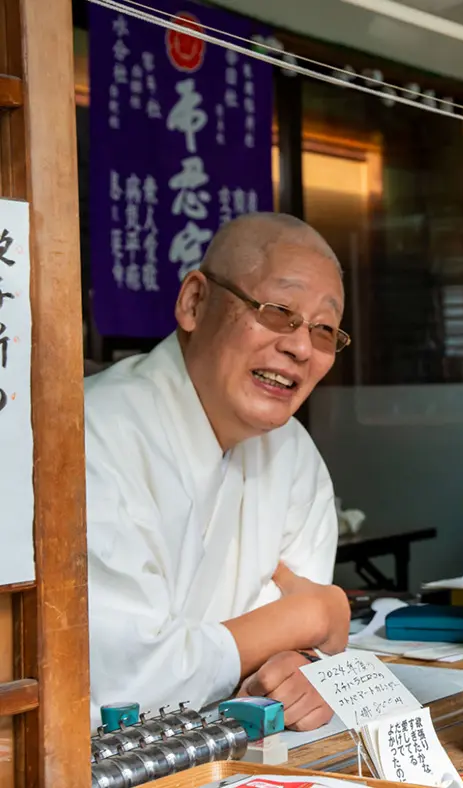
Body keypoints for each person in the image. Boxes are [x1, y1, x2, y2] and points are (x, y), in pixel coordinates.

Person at [86, 213, 353, 732]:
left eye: (324, 329)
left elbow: (297, 661)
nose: (301, 347)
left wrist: (302, 670)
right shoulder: (94, 435)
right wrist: (306, 618)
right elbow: (119, 688)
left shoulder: (293, 453)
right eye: (278, 311)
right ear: (194, 302)